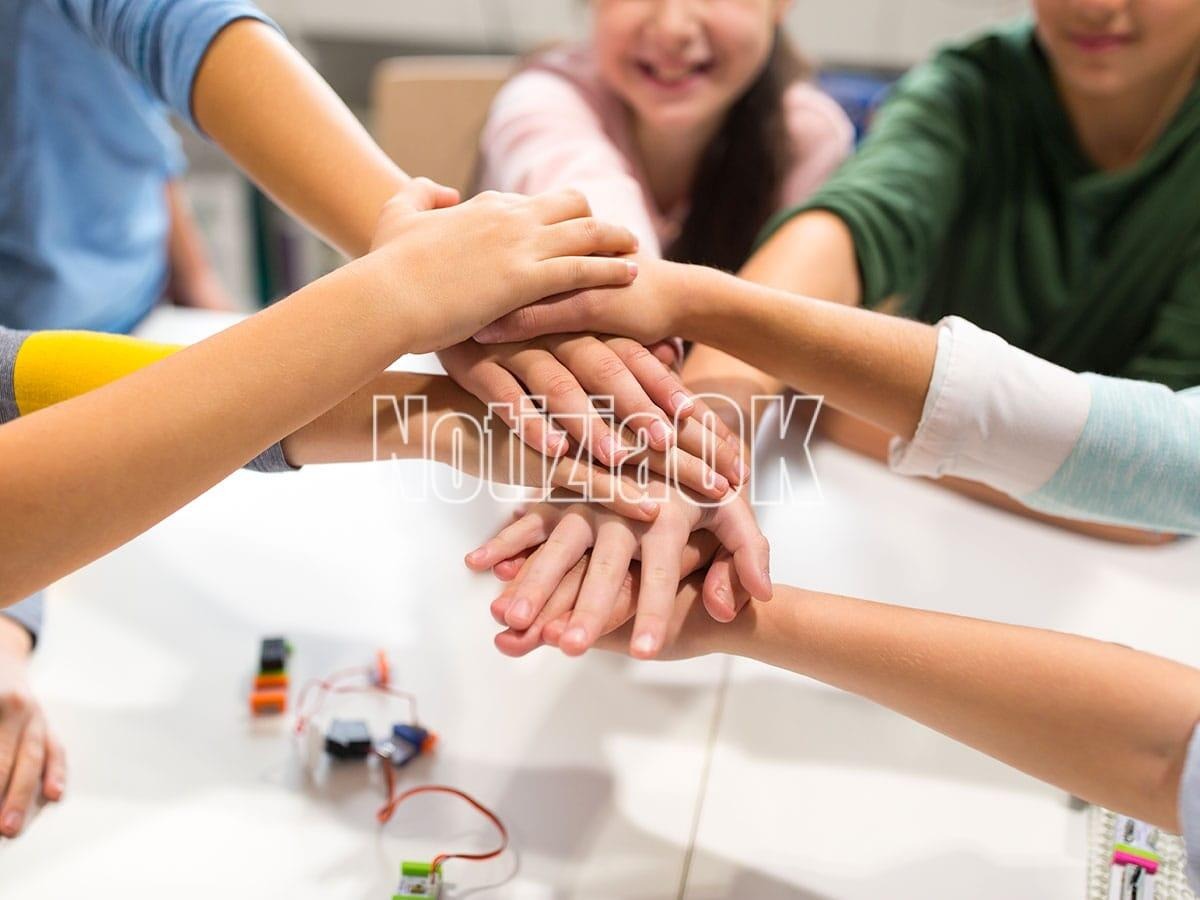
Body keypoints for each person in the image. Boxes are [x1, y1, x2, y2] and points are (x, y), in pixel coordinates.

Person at [470, 257, 1199, 656]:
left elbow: (1156, 475)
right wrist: (692, 424)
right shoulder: (968, 89)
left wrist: (699, 326)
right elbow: (842, 231)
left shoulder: (807, 129)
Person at [663, 0, 1199, 541]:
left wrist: (818, 391)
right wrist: (704, 432)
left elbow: (1158, 485)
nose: (1096, 6)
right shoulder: (971, 86)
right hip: (921, 526)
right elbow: (855, 220)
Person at [450, 0, 851, 470]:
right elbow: (600, 229)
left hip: (723, 436)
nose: (674, 27)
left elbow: (797, 333)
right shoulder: (544, 99)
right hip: (511, 438)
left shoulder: (807, 137)